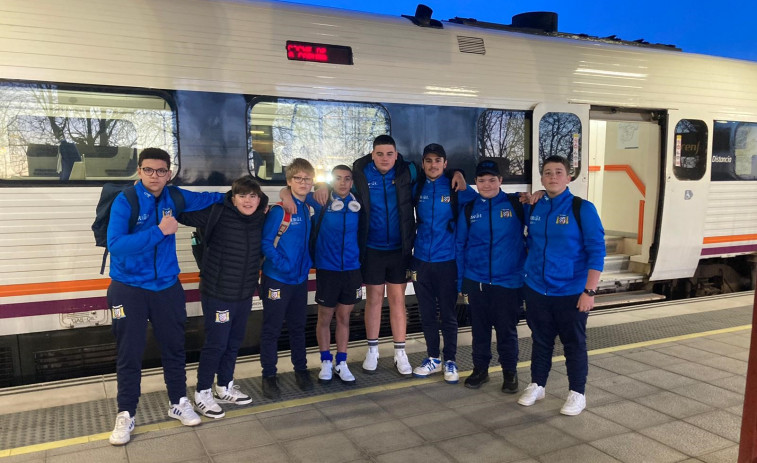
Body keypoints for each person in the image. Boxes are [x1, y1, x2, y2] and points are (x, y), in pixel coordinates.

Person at [106, 148, 224, 445]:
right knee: (129, 353)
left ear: (169, 173)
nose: (155, 176)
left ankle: (178, 402)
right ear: (139, 171)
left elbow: (213, 197)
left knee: (174, 349)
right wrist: (159, 231)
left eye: (161, 171)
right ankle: (126, 413)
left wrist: (259, 200)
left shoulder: (176, 197)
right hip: (128, 287)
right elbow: (117, 245)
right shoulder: (126, 201)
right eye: (149, 170)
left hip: (167, 288)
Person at [328, 135, 466, 375]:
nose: (384, 158)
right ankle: (373, 351)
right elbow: (340, 183)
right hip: (371, 248)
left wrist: (457, 171)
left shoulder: (408, 172)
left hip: (399, 250)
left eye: (389, 154)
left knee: (397, 301)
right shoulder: (360, 172)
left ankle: (400, 354)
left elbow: (435, 173)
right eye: (379, 154)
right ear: (372, 155)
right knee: (373, 301)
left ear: (396, 155)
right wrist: (321, 187)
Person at [517, 155, 605, 416]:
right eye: (547, 173)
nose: (553, 176)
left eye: (558, 172)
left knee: (574, 344)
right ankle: (538, 385)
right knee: (540, 340)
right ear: (542, 179)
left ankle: (577, 393)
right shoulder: (535, 207)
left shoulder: (582, 209)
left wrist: (589, 291)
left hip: (571, 292)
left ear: (569, 177)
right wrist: (533, 195)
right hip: (537, 289)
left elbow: (597, 251)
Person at [178, 176, 269, 419]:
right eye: (242, 196)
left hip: (244, 292)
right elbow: (181, 214)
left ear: (259, 199)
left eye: (252, 196)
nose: (248, 201)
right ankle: (202, 392)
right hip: (218, 292)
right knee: (216, 344)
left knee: (234, 341)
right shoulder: (216, 212)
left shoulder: (261, 216)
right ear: (233, 197)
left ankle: (224, 386)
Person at [456, 159, 528, 393]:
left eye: (492, 180)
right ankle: (480, 370)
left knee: (507, 329)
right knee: (479, 329)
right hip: (476, 280)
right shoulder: (469, 209)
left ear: (501, 181)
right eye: (481, 180)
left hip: (508, 281)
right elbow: (460, 245)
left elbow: (543, 212)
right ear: (475, 183)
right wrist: (461, 281)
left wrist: (536, 194)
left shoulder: (516, 204)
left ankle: (510, 372)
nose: (486, 185)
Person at [410, 143, 477, 384]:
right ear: (423, 164)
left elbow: (488, 199)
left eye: (438, 161)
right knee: (426, 314)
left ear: (445, 164)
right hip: (421, 261)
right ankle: (432, 359)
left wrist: (531, 196)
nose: (433, 165)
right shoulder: (416, 188)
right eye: (428, 161)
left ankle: (450, 360)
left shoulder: (457, 188)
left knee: (448, 314)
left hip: (447, 260)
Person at [259, 158, 315, 399]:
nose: (303, 183)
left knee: (298, 327)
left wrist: (304, 266)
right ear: (290, 181)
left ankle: (300, 369)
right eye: (298, 179)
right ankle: (269, 374)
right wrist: (284, 264)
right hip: (277, 280)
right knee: (271, 328)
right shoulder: (280, 211)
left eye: (307, 179)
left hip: (299, 280)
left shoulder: (306, 207)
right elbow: (265, 244)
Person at [309, 165, 362, 384]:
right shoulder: (320, 201)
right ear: (332, 181)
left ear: (352, 182)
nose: (342, 182)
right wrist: (319, 185)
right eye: (338, 178)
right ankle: (325, 362)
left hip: (351, 269)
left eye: (347, 179)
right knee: (325, 317)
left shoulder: (359, 204)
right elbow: (290, 193)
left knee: (344, 317)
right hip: (327, 270)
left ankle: (341, 362)